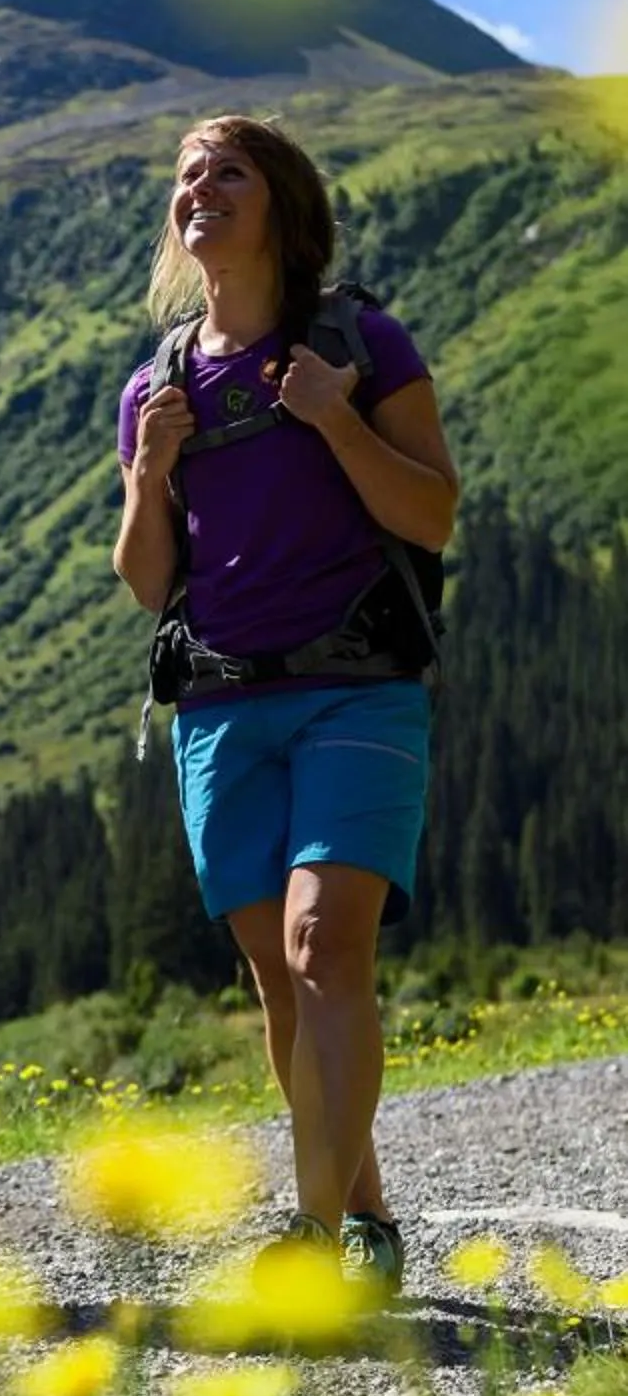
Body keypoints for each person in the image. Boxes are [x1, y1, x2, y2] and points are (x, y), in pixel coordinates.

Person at [113, 113, 459, 1292]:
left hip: (358, 684)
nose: (199, 189)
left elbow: (431, 514)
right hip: (217, 702)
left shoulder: (361, 343)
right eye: (185, 177)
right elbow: (148, 579)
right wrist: (151, 471)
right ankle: (365, 1219)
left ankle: (310, 1235)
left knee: (325, 943)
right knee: (277, 970)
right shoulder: (155, 385)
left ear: (280, 204)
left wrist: (332, 416)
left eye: (227, 172)